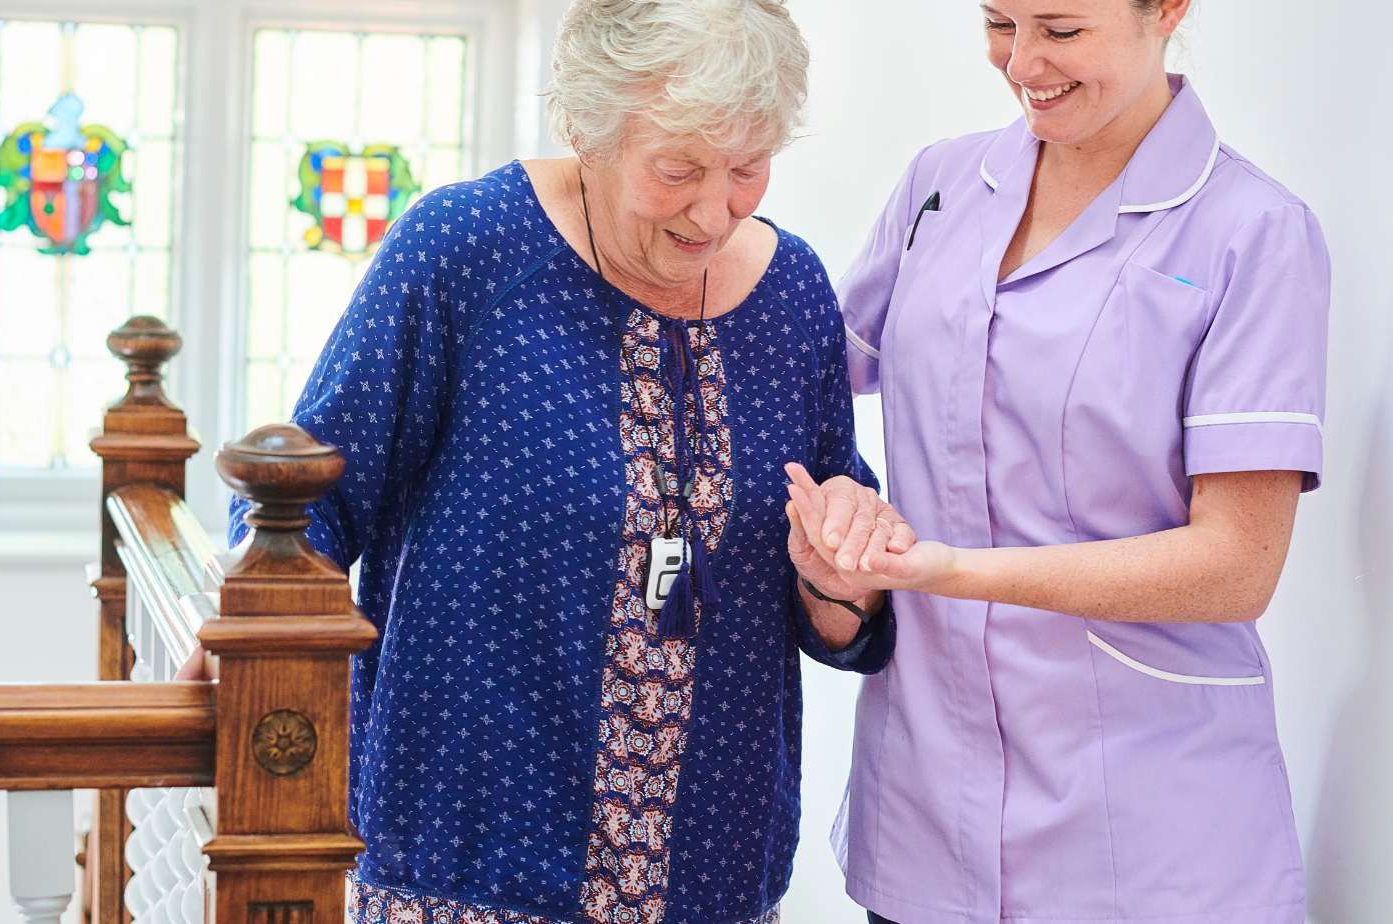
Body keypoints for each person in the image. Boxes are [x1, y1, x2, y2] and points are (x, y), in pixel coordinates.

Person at [200, 2, 908, 921]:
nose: (714, 209)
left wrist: (843, 583)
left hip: (715, 877)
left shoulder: (793, 295)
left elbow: (839, 592)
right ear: (587, 129)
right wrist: (250, 627)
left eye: (746, 169)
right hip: (466, 867)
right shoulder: (467, 251)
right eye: (678, 169)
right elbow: (310, 504)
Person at [788, 1, 1329, 921]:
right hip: (928, 815)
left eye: (1061, 29)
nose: (1022, 61)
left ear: (1167, 9)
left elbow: (1237, 567)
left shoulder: (1252, 230)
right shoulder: (942, 186)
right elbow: (801, 373)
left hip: (1149, 838)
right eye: (999, 22)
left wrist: (954, 572)